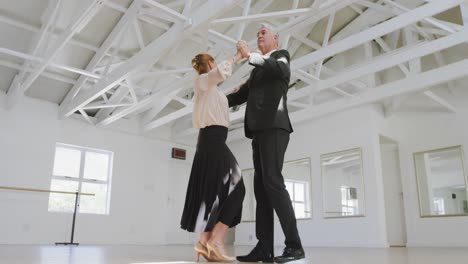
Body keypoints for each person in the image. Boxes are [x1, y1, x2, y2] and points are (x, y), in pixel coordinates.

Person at [227, 23, 305, 263]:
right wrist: (215, 99)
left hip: (274, 127)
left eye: (264, 32)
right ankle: (264, 248)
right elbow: (240, 95)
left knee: (272, 182)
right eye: (257, 32)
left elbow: (274, 67)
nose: (259, 34)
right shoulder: (257, 71)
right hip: (259, 131)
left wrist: (250, 55)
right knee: (261, 190)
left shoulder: (281, 57)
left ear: (276, 38)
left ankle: (295, 246)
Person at [180, 51, 245, 262]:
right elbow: (218, 74)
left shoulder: (212, 92)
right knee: (238, 185)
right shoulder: (201, 82)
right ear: (209, 64)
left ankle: (203, 243)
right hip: (212, 141)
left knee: (212, 192)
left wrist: (244, 87)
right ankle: (216, 241)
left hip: (212, 142)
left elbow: (226, 98)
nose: (216, 65)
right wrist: (237, 56)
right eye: (213, 62)